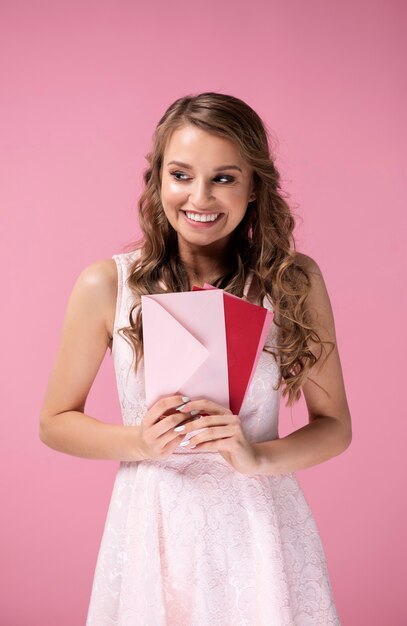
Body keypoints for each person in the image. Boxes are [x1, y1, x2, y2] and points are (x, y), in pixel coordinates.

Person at [39, 91, 352, 625]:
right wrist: (138, 440)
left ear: (255, 185)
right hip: (155, 526)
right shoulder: (106, 285)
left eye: (224, 177)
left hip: (260, 529)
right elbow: (54, 422)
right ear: (157, 179)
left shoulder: (292, 282)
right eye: (181, 175)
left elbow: (335, 427)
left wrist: (257, 458)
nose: (199, 196)